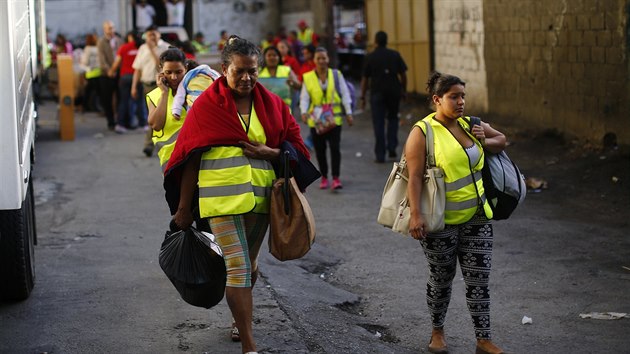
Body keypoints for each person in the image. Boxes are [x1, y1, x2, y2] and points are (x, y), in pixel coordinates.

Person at [165, 35, 309, 354]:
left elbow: (296, 147)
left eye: (252, 71)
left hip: (261, 202)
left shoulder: (273, 104)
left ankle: (238, 320)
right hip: (221, 201)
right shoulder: (205, 106)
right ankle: (249, 345)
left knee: (250, 264)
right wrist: (184, 207)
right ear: (224, 68)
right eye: (240, 71)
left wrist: (271, 152)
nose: (247, 78)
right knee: (239, 266)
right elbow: (189, 158)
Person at [405, 71, 507, 354]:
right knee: (441, 279)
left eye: (463, 96)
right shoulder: (422, 132)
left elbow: (502, 141)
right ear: (437, 99)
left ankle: (483, 339)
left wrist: (483, 139)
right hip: (441, 221)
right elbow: (413, 178)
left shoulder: (471, 124)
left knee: (479, 280)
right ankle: (437, 332)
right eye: (454, 97)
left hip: (478, 216)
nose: (461, 101)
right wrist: (416, 215)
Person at [300, 47, 353, 190]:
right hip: (316, 121)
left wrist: (348, 113)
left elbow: (345, 94)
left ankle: (336, 178)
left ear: (328, 59)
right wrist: (304, 112)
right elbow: (304, 98)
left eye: (324, 58)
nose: (322, 61)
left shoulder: (336, 75)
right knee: (320, 150)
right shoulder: (308, 77)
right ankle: (324, 177)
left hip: (334, 120)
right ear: (314, 61)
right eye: (319, 58)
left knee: (335, 149)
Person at [360, 30, 408, 163]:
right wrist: (403, 91)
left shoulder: (370, 57)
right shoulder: (395, 55)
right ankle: (392, 147)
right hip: (393, 92)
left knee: (379, 123)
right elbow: (403, 75)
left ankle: (380, 154)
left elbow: (364, 79)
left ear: (375, 42)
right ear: (387, 41)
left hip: (377, 93)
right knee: (393, 119)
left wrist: (363, 97)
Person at [131, 25, 170, 156]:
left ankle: (148, 145)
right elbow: (137, 68)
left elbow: (161, 67)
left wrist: (152, 50)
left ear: (159, 34)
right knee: (153, 116)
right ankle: (156, 143)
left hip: (159, 86)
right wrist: (134, 86)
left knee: (154, 116)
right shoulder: (142, 48)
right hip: (145, 85)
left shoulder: (166, 47)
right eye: (149, 35)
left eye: (154, 34)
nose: (151, 37)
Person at [109, 30, 145, 133]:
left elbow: (117, 63)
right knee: (140, 101)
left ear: (130, 37)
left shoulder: (124, 47)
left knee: (124, 101)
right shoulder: (142, 48)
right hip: (138, 77)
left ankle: (121, 125)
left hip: (125, 77)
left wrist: (111, 72)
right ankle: (142, 124)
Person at [98, 20, 123, 131]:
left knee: (120, 97)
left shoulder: (118, 41)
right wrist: (109, 71)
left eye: (112, 28)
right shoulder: (101, 42)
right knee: (107, 99)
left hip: (118, 73)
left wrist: (117, 70)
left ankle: (120, 120)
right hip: (106, 74)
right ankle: (111, 121)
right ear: (105, 30)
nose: (111, 30)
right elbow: (101, 59)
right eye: (109, 28)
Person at [79, 33, 101, 113]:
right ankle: (91, 106)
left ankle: (85, 106)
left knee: (88, 92)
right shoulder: (98, 48)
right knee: (96, 92)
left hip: (91, 72)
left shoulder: (88, 49)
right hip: (98, 72)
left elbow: (84, 61)